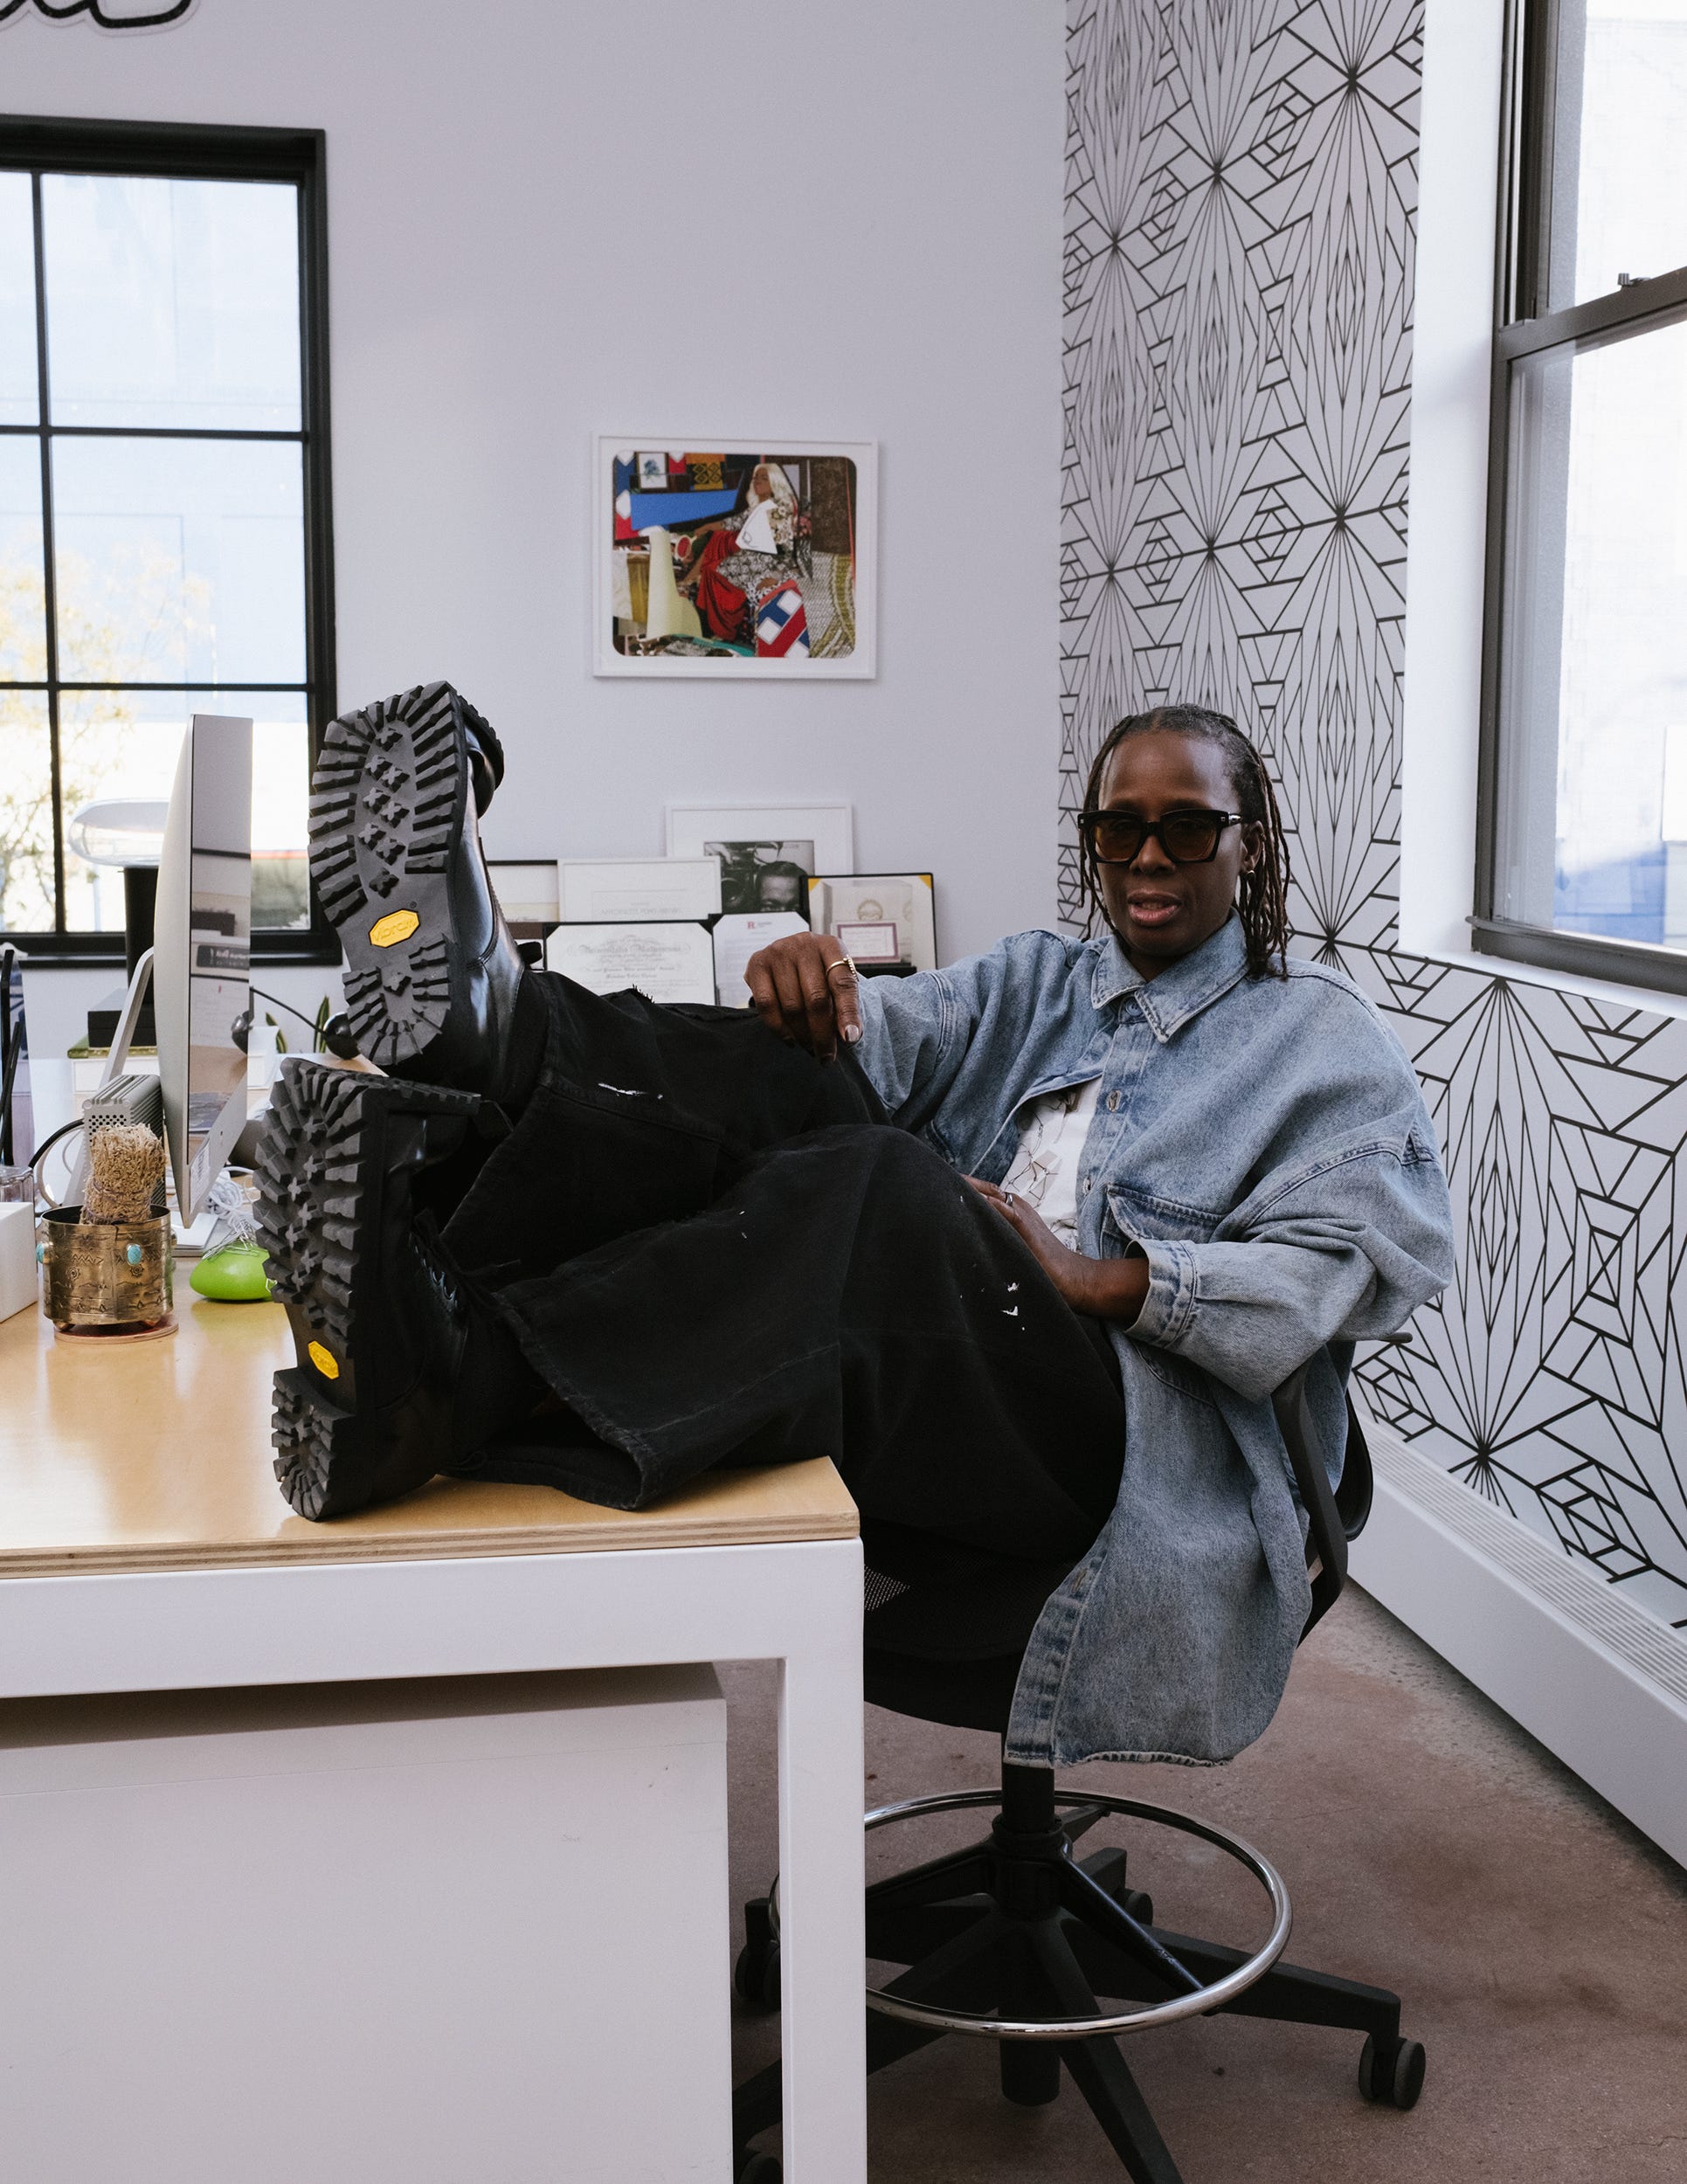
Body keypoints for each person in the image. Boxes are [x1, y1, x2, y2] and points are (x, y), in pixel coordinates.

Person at [258, 683, 1454, 1768]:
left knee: (884, 1186)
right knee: (803, 1074)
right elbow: (881, 1041)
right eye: (1117, 828)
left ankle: (470, 1366)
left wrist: (1092, 1280)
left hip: (1118, 1454)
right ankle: (497, 1037)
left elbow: (1335, 1279)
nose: (1148, 855)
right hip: (953, 1378)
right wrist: (809, 984)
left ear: (1250, 848)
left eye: (1186, 827)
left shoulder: (1325, 1048)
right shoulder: (1043, 979)